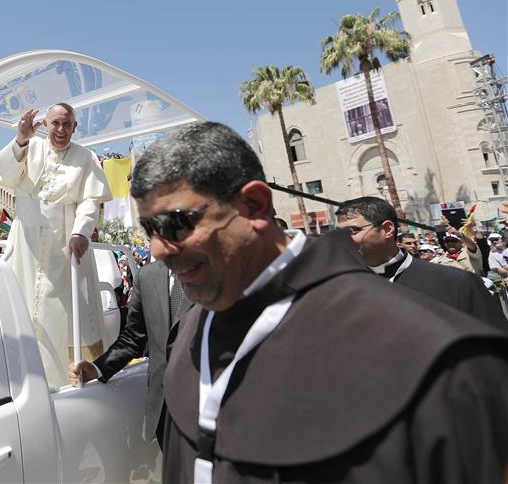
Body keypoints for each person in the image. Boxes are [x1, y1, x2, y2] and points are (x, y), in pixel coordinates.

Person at [130, 122, 508, 483]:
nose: (157, 249)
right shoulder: (190, 334)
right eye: (150, 229)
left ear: (256, 205)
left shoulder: (441, 363)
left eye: (175, 224)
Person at [0, 104, 113, 386]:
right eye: (55, 123)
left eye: (67, 124)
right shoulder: (29, 148)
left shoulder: (86, 158)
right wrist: (20, 139)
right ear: (45, 125)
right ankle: (18, 381)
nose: (61, 130)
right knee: (21, 306)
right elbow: (7, 175)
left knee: (64, 318)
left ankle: (65, 380)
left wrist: (81, 233)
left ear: (74, 127)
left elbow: (90, 201)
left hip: (65, 246)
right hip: (26, 246)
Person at [68, 258, 189, 447]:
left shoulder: (220, 273)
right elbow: (133, 337)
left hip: (209, 410)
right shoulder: (147, 276)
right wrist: (97, 368)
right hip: (164, 413)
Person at [335, 197, 506, 330]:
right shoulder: (339, 293)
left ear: (387, 229)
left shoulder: (457, 283)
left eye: (351, 231)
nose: (340, 240)